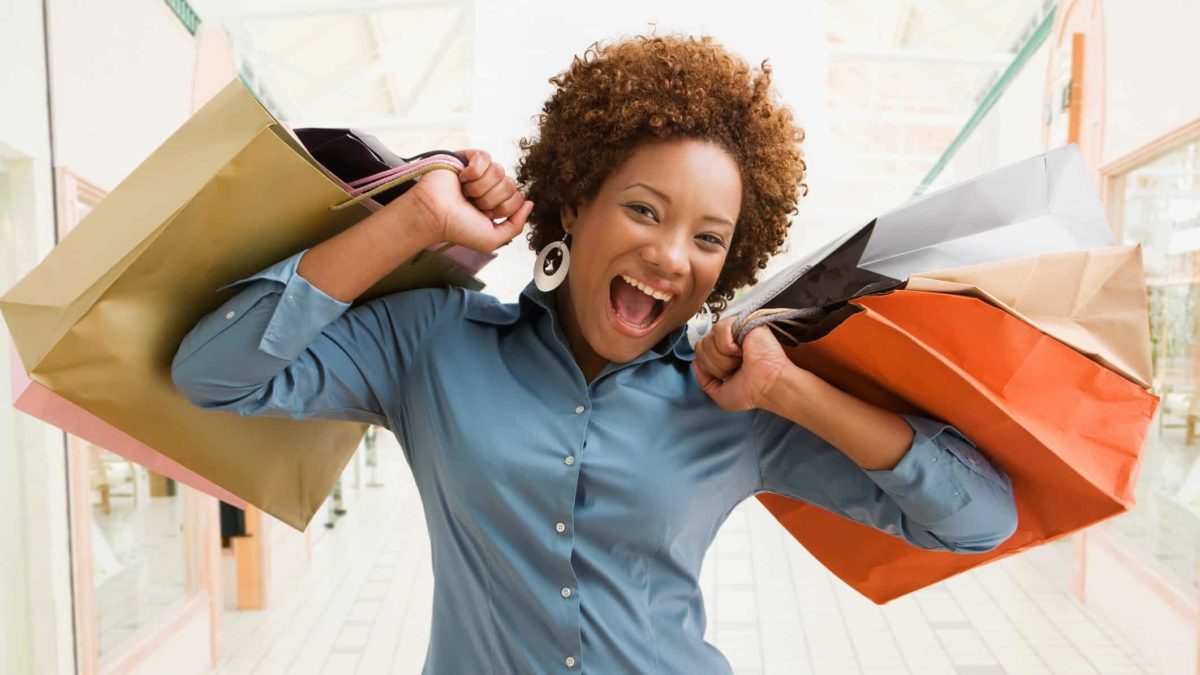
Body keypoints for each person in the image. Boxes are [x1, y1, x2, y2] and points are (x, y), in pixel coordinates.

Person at [171, 33, 1016, 675]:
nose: (671, 257)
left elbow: (981, 520)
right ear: (574, 205)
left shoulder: (738, 404)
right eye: (645, 211)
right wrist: (416, 220)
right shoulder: (433, 342)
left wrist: (796, 393)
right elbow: (210, 373)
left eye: (708, 238)